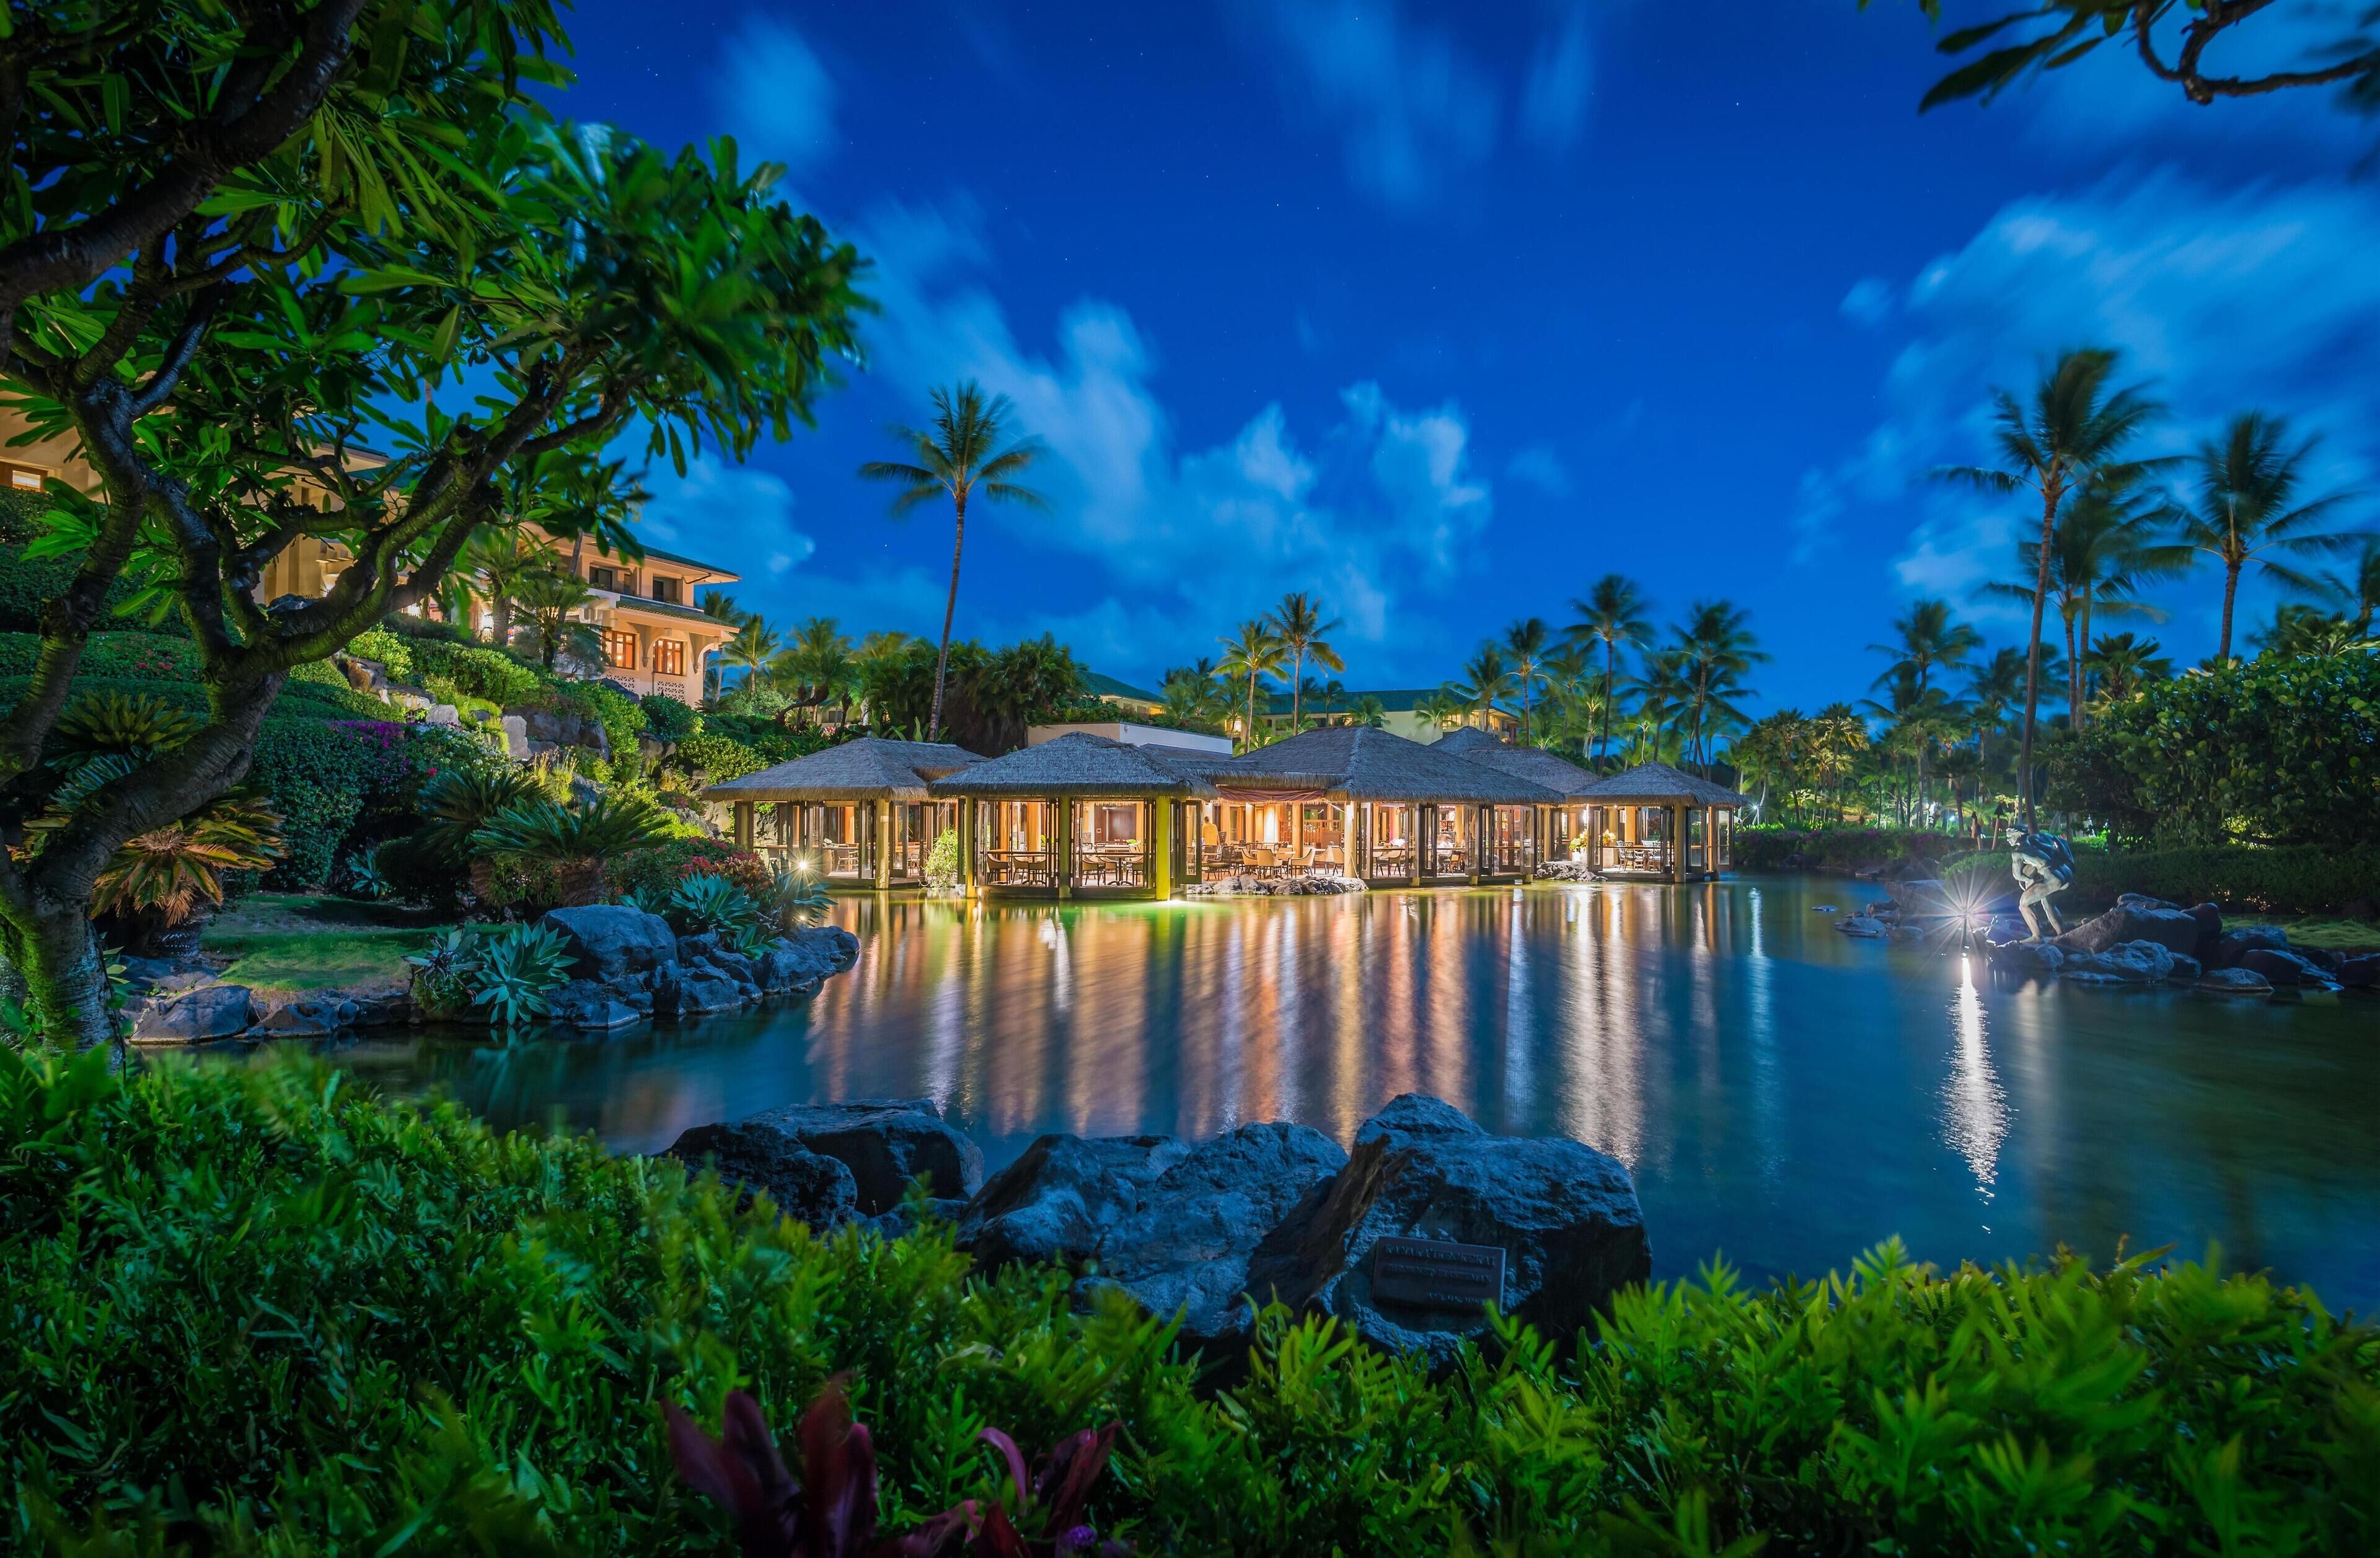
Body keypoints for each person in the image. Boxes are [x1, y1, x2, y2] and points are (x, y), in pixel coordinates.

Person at [2006, 823, 2075, 942]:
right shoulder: (2036, 842)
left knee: (2024, 904)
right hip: (2064, 872)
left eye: (2010, 836)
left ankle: (2037, 937)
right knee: (2048, 903)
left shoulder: (2017, 853)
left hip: (2052, 879)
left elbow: (2017, 875)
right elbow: (2057, 844)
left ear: (2019, 835)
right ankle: (2061, 935)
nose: (2008, 839)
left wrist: (2029, 880)